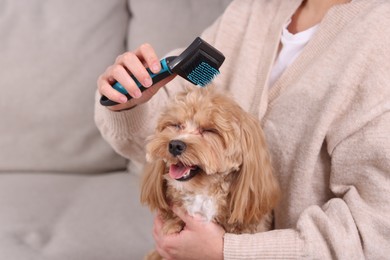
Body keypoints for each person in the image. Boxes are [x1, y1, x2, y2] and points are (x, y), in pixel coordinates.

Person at [95, 0, 390, 258]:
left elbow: (377, 232)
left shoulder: (379, 37)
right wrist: (130, 105)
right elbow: (160, 140)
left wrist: (228, 252)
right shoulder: (250, 10)